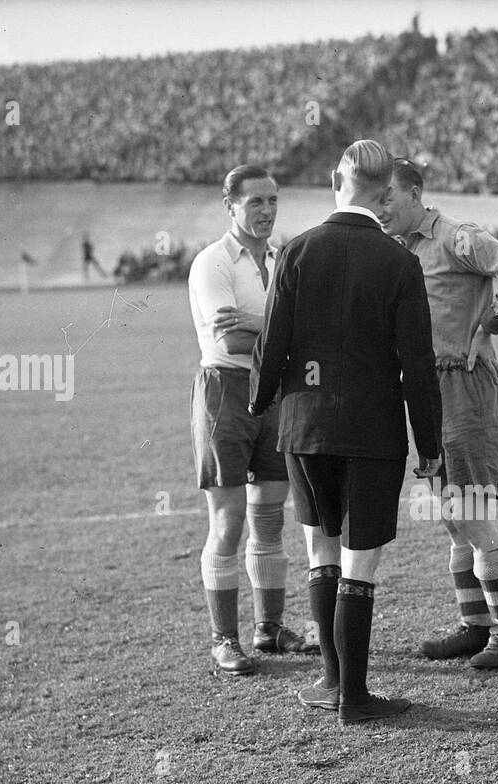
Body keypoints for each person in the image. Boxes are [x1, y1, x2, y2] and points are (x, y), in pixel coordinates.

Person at [250, 139, 442, 725]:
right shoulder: (399, 262)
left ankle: (332, 683)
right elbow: (417, 363)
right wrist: (430, 447)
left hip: (303, 430)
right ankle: (354, 698)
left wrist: (261, 404)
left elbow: (271, 344)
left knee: (320, 551)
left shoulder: (297, 251)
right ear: (386, 193)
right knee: (360, 564)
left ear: (337, 179)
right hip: (371, 431)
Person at [380, 158, 498, 669]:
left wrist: (488, 325)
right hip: (427, 390)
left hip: (464, 384)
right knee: (452, 517)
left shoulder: (455, 237)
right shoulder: (398, 249)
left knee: (470, 510)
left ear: (415, 193)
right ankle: (474, 626)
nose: (380, 207)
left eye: (388, 196)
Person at [187, 163, 317, 675]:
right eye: (255, 202)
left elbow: (299, 328)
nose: (266, 211)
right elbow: (229, 341)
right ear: (231, 206)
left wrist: (263, 325)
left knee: (269, 515)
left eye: (273, 201)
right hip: (225, 392)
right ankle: (224, 639)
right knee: (229, 520)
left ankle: (269, 628)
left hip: (273, 392)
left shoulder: (285, 259)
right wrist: (281, 330)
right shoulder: (212, 264)